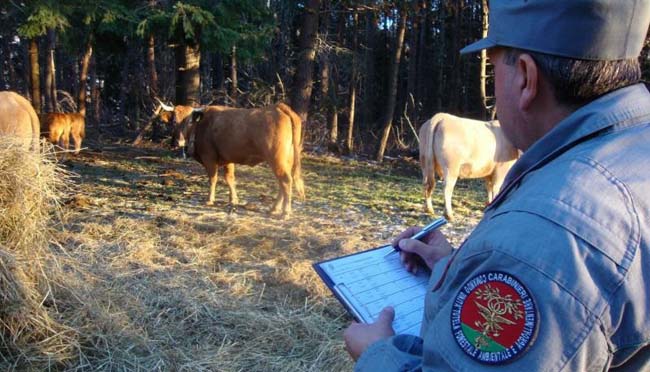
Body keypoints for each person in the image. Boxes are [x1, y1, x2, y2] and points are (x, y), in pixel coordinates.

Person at [343, 0, 650, 370]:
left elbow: (540, 269)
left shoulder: (546, 232)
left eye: (493, 68)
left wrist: (377, 353)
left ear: (525, 77)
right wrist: (451, 268)